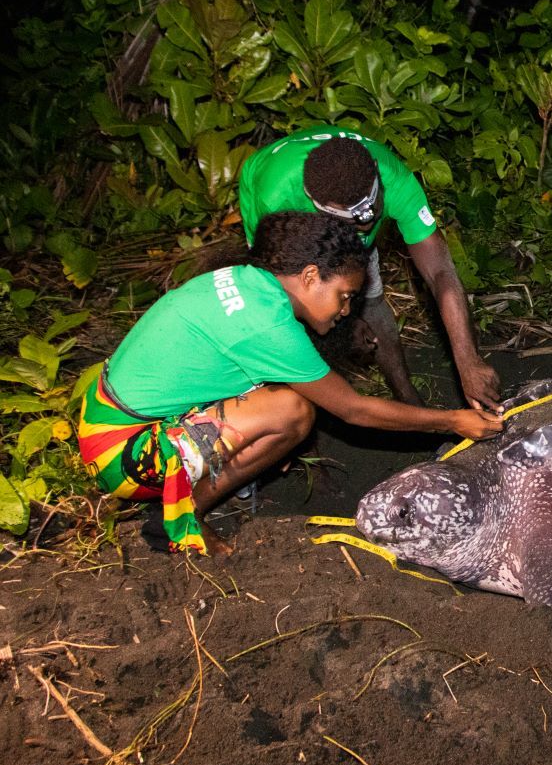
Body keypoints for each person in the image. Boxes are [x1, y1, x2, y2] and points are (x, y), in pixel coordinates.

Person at [78, 212, 503, 556]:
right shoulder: (270, 326)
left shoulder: (244, 282)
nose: (346, 309)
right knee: (293, 412)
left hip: (104, 416)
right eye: (345, 295)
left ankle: (205, 478)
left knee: (280, 397)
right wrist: (452, 421)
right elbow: (354, 409)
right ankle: (180, 518)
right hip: (123, 455)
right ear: (310, 275)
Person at [238, 125, 500, 410]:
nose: (364, 224)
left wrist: (468, 361)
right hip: (294, 222)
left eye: (371, 209)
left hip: (335, 203)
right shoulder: (276, 197)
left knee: (372, 302)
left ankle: (407, 398)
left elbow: (440, 272)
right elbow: (287, 290)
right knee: (296, 314)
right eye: (350, 220)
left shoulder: (393, 177)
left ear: (376, 172)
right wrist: (341, 321)